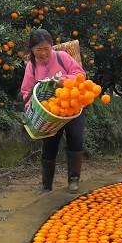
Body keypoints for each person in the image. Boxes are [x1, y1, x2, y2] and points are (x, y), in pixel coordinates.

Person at [21, 29, 87, 193]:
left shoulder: (62, 57)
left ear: (51, 47)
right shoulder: (32, 65)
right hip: (49, 114)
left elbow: (80, 74)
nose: (43, 53)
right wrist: (30, 106)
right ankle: (46, 184)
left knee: (76, 140)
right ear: (32, 49)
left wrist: (63, 81)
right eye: (38, 49)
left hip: (72, 108)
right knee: (49, 146)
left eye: (46, 48)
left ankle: (73, 180)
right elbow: (26, 91)